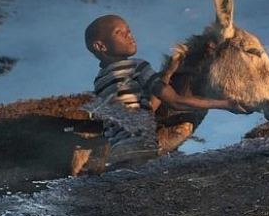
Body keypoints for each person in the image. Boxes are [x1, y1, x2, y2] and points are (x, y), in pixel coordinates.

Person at [84, 14, 250, 168]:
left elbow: (148, 109)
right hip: (142, 149)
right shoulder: (137, 67)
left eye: (129, 30)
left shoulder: (101, 80)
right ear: (100, 46)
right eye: (120, 32)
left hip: (117, 155)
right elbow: (176, 101)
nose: (129, 35)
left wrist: (168, 74)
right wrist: (226, 104)